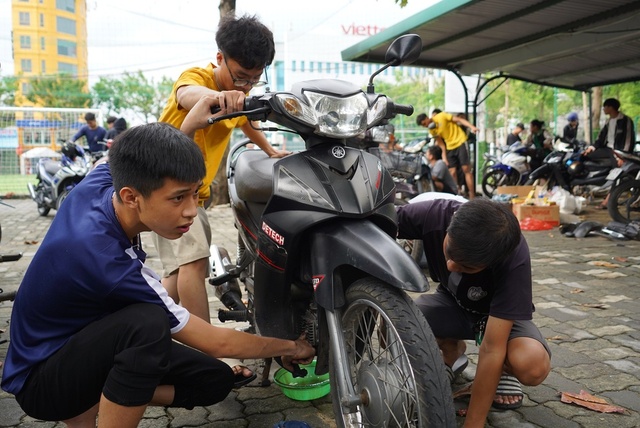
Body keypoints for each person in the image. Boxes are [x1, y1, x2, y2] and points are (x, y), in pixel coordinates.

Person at [1, 103, 315, 428]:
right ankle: (96, 407)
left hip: (84, 345)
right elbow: (216, 342)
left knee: (215, 379)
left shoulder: (102, 180)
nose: (192, 210)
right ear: (132, 197)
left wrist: (189, 126)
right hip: (39, 380)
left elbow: (145, 153)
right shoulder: (107, 260)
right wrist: (290, 345)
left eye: (195, 194)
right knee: (148, 324)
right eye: (178, 198)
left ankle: (112, 392)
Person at [155, 14, 290, 323]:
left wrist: (268, 149)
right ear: (220, 58)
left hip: (192, 193)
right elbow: (187, 94)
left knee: (177, 274)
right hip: (166, 189)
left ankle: (151, 324)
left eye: (255, 79)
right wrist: (217, 97)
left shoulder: (239, 94)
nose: (246, 85)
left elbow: (245, 120)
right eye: (241, 76)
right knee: (194, 264)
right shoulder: (197, 78)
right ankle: (207, 351)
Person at [396, 198, 551, 428]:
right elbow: (378, 219)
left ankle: (501, 375)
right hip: (451, 302)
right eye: (449, 252)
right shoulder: (433, 214)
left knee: (532, 365)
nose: (449, 266)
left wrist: (473, 423)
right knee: (400, 321)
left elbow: (491, 347)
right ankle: (451, 351)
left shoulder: (513, 256)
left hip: (498, 316)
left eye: (466, 267)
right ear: (450, 227)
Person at [585, 98, 636, 209]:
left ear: (611, 108)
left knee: (617, 174)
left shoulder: (625, 120)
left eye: (605, 107)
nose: (603, 109)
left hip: (619, 152)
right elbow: (601, 137)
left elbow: (628, 139)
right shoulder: (608, 121)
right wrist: (592, 147)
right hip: (607, 150)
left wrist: (622, 156)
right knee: (584, 156)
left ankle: (608, 200)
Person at [417, 109, 478, 199]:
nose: (425, 126)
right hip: (449, 147)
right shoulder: (432, 130)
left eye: (424, 123)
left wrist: (472, 127)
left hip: (460, 141)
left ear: (427, 118)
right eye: (423, 125)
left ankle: (472, 195)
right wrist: (444, 156)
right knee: (452, 172)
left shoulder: (441, 116)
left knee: (466, 169)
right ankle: (457, 194)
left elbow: (459, 120)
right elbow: (440, 142)